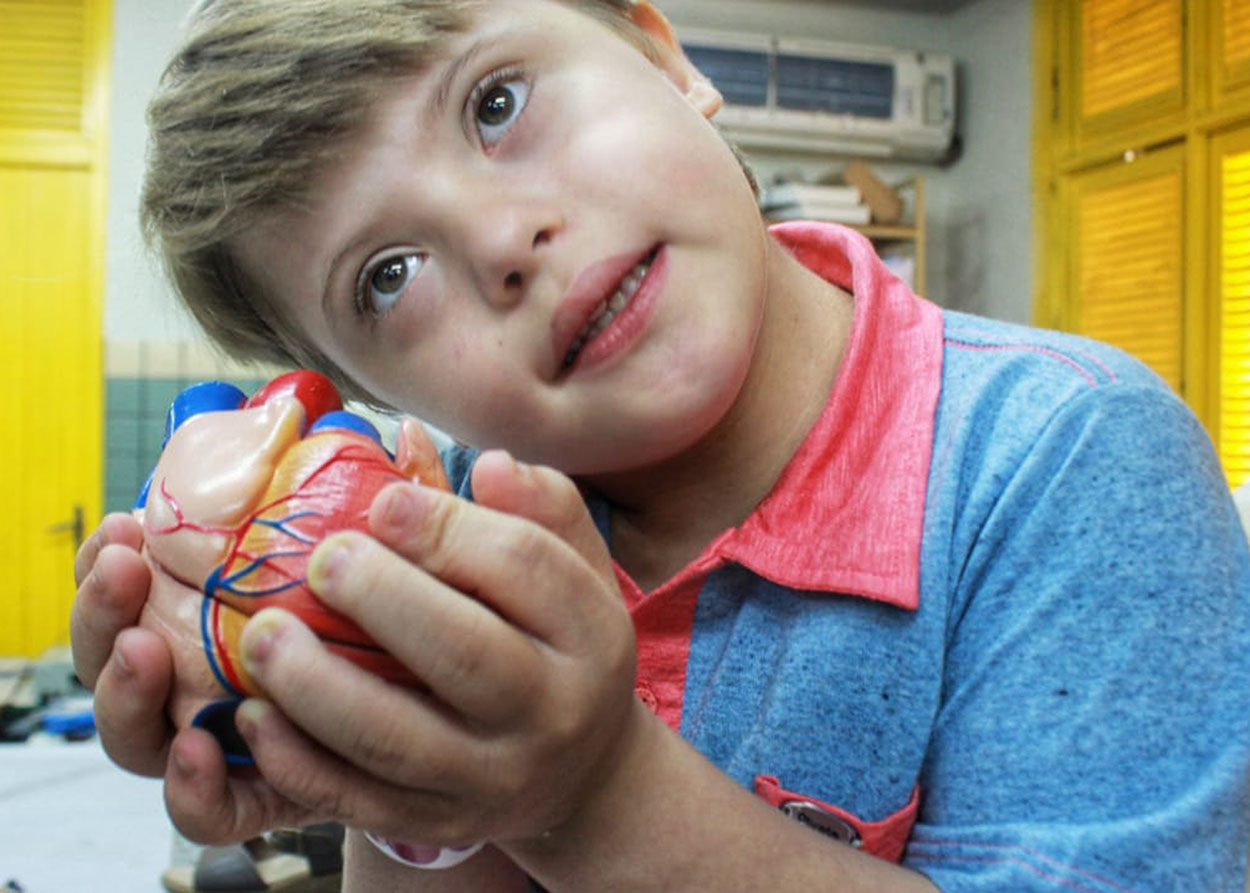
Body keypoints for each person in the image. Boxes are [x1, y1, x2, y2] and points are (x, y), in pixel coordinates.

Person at [71, 0, 1250, 889]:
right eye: (387, 277)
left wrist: (596, 793)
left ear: (664, 56)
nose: (502, 242)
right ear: (372, 389)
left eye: (495, 103)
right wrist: (370, 753)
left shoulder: (1067, 456)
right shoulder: (451, 520)